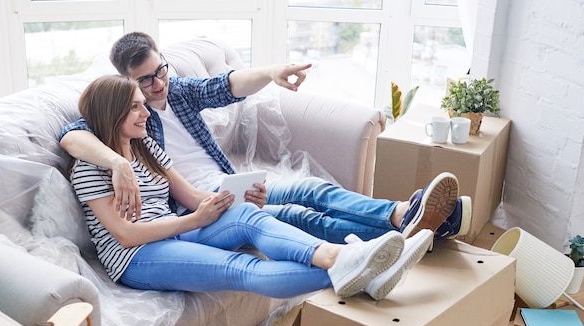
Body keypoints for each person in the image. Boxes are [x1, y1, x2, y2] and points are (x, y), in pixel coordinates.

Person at [60, 31, 470, 249]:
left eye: (160, 70)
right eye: (145, 80)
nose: (157, 84)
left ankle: (404, 216)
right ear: (126, 83)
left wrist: (272, 72)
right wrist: (118, 164)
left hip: (230, 180)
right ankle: (408, 231)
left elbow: (226, 84)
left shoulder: (178, 90)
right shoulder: (126, 113)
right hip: (202, 201)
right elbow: (71, 135)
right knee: (302, 216)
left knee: (312, 189)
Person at [70, 74, 435, 301]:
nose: (147, 112)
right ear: (111, 113)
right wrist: (194, 221)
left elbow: (191, 196)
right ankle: (360, 266)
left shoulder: (143, 145)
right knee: (241, 267)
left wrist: (232, 198)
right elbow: (125, 235)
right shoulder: (89, 167)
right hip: (137, 257)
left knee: (246, 214)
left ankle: (344, 260)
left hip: (175, 233)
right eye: (136, 107)